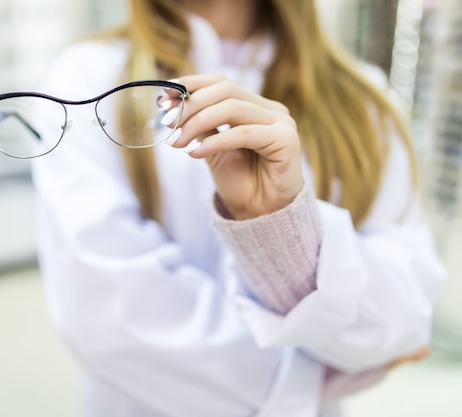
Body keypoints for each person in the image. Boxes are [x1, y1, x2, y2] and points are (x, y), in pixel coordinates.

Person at [30, 1, 446, 416]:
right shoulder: (86, 79)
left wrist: (284, 230)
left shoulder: (362, 97)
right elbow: (113, 316)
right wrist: (315, 377)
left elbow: (404, 316)